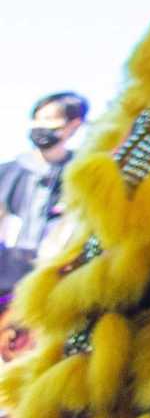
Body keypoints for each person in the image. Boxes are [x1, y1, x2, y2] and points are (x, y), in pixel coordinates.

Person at [0, 92, 88, 309]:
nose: (40, 126)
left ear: (73, 125)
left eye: (49, 120)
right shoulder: (8, 173)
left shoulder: (81, 175)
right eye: (37, 119)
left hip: (52, 293)